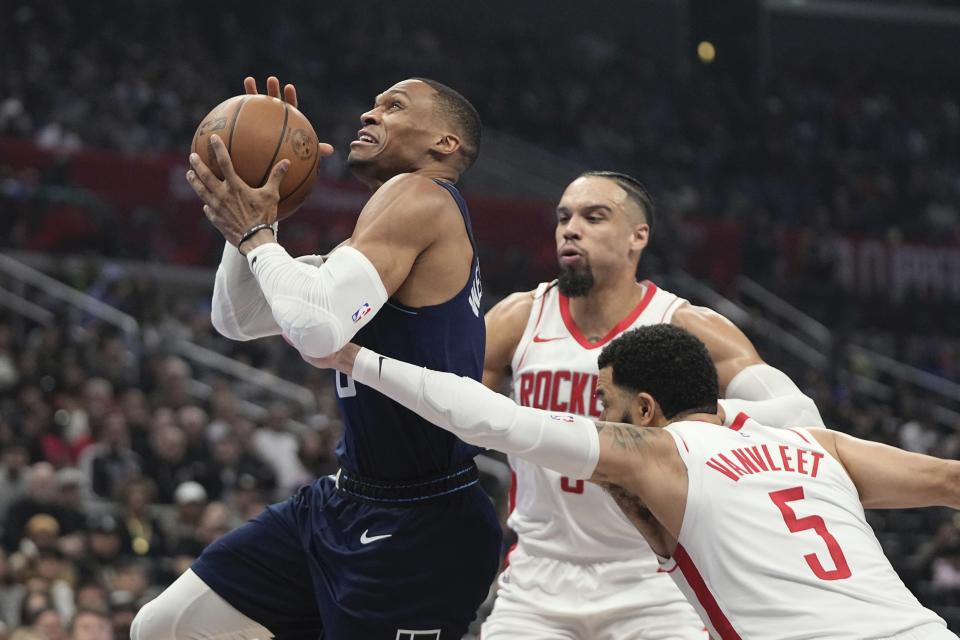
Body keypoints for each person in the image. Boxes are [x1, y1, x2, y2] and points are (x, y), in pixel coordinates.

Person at [132, 75, 500, 639]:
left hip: (424, 523)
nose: (369, 114)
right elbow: (240, 318)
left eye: (393, 107)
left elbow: (319, 331)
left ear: (444, 145)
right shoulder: (378, 234)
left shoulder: (423, 197)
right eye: (372, 102)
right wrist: (259, 215)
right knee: (166, 627)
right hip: (344, 497)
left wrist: (257, 234)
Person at [316, 326, 960, 640]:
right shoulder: (818, 445)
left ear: (646, 409)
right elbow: (948, 480)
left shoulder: (657, 452)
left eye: (604, 401)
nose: (598, 416)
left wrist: (358, 359)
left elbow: (496, 419)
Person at [480, 171, 822, 638]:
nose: (571, 228)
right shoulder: (518, 318)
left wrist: (713, 419)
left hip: (655, 577)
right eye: (564, 217)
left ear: (637, 236)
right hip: (538, 577)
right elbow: (451, 413)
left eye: (593, 216)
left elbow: (797, 414)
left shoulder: (687, 324)